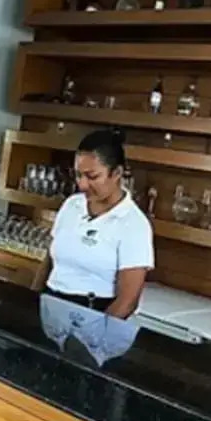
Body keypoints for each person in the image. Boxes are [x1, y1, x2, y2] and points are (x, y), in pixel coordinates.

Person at [45, 129, 154, 319]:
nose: (82, 184)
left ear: (117, 173)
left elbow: (128, 301)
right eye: (78, 175)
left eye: (92, 176)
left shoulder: (133, 224)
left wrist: (96, 332)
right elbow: (49, 261)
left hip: (91, 312)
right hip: (50, 304)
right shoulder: (71, 205)